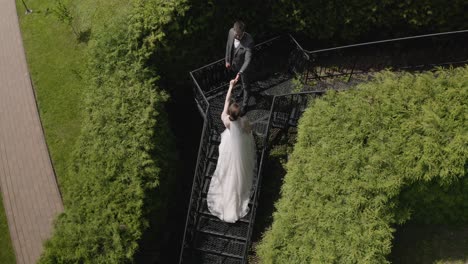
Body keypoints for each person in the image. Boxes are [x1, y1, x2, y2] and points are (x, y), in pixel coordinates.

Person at [207, 79, 257, 223]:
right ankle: (235, 199)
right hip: (240, 142)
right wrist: (247, 130)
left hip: (229, 142)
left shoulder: (225, 119)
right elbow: (249, 130)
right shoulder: (243, 121)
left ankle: (228, 200)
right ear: (239, 113)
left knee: (227, 166)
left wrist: (230, 86)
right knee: (241, 167)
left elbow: (227, 100)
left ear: (230, 113)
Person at [225, 21, 254, 114]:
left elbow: (248, 60)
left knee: (246, 86)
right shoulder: (231, 32)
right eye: (235, 34)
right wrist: (227, 60)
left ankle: (245, 105)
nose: (236, 36)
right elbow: (228, 45)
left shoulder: (249, 41)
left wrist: (240, 72)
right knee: (241, 82)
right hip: (234, 64)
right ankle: (241, 90)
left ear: (243, 32)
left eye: (238, 35)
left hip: (243, 68)